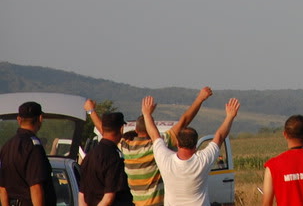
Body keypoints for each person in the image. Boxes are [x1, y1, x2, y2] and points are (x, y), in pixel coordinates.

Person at [85, 87, 213, 206]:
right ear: (150, 130)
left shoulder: (126, 145)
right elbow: (184, 121)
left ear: (136, 129)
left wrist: (91, 111)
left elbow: (106, 132)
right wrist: (200, 99)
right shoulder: (156, 145)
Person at [141, 95, 239, 206]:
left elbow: (154, 136)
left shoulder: (165, 159)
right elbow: (220, 136)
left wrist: (146, 114)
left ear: (177, 143)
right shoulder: (203, 160)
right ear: (195, 145)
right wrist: (230, 116)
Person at [0, 101, 57, 206]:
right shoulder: (34, 147)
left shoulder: (6, 147)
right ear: (40, 118)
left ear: (19, 119)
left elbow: (2, 188)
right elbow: (35, 186)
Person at [79, 112, 133, 206]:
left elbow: (82, 194)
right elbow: (108, 197)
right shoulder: (114, 158)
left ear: (103, 129)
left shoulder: (89, 156)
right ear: (121, 129)